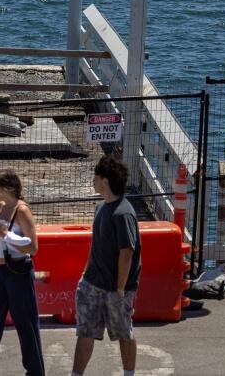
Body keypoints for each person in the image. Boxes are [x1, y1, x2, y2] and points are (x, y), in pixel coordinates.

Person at [71, 154, 142, 376]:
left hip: (115, 288)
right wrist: (85, 271)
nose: (93, 180)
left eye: (96, 176)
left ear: (105, 181)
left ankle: (128, 373)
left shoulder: (123, 213)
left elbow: (127, 252)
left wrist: (120, 288)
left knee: (123, 332)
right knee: (85, 331)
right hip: (92, 283)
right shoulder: (101, 207)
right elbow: (97, 243)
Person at [0, 169, 43, 376]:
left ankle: (36, 372)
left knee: (26, 325)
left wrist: (7, 235)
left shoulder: (22, 210)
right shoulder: (2, 206)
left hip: (17, 271)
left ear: (6, 189)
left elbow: (33, 248)